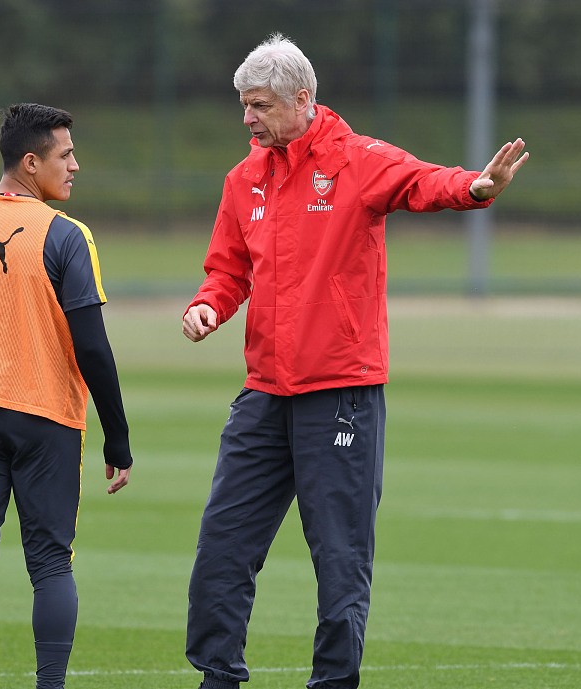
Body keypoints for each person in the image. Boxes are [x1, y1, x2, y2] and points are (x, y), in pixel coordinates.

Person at [181, 34, 528, 689]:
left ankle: (334, 680)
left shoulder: (356, 160)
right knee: (223, 542)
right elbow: (227, 268)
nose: (247, 119)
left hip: (339, 393)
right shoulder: (244, 178)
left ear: (302, 99)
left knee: (340, 556)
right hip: (264, 392)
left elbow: (424, 181)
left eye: (258, 106)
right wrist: (208, 306)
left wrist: (477, 187)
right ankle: (217, 674)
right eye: (244, 106)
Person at [0, 102, 133, 689]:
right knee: (49, 567)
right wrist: (118, 436)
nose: (76, 166)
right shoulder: (67, 237)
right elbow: (92, 347)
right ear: (32, 162)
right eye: (66, 155)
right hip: (46, 421)